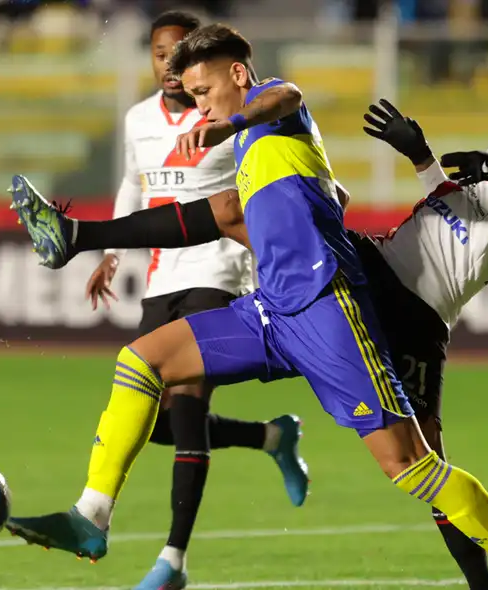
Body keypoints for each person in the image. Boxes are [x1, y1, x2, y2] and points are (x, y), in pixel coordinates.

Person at [6, 22, 488, 590]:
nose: (197, 107)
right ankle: (92, 514)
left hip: (343, 303)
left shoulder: (268, 107)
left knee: (411, 463)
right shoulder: (255, 143)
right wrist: (416, 161)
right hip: (288, 301)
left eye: (203, 93)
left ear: (236, 77)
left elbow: (289, 96)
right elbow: (453, 207)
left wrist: (227, 126)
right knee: (143, 355)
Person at [82, 9, 310, 583]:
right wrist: (111, 253)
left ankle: (173, 558)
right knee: (153, 421)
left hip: (220, 267)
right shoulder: (138, 120)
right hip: (162, 277)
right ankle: (271, 435)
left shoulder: (233, 112)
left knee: (186, 412)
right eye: (160, 54)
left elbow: (258, 181)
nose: (169, 64)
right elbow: (134, 182)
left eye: (179, 53)